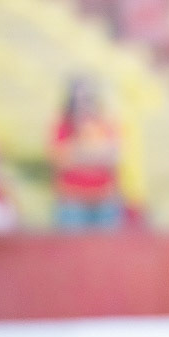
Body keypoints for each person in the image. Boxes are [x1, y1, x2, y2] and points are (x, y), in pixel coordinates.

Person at [50, 77, 122, 230]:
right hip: (72, 200)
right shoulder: (63, 125)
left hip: (104, 199)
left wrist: (77, 153)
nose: (83, 102)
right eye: (78, 97)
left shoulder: (105, 123)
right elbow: (61, 160)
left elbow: (113, 156)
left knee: (106, 250)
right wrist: (96, 154)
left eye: (87, 97)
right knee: (73, 250)